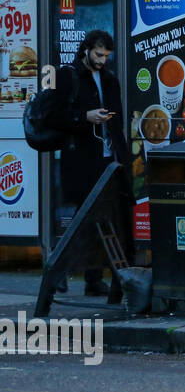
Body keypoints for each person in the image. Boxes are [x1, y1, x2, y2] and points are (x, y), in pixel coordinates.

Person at [50, 30, 129, 297]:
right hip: (80, 159)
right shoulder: (65, 75)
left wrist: (124, 157)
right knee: (83, 220)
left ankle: (92, 278)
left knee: (101, 220)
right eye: (98, 55)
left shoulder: (110, 79)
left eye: (106, 56)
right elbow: (53, 116)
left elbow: (117, 120)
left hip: (107, 158)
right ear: (85, 50)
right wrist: (85, 116)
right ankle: (59, 271)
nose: (102, 61)